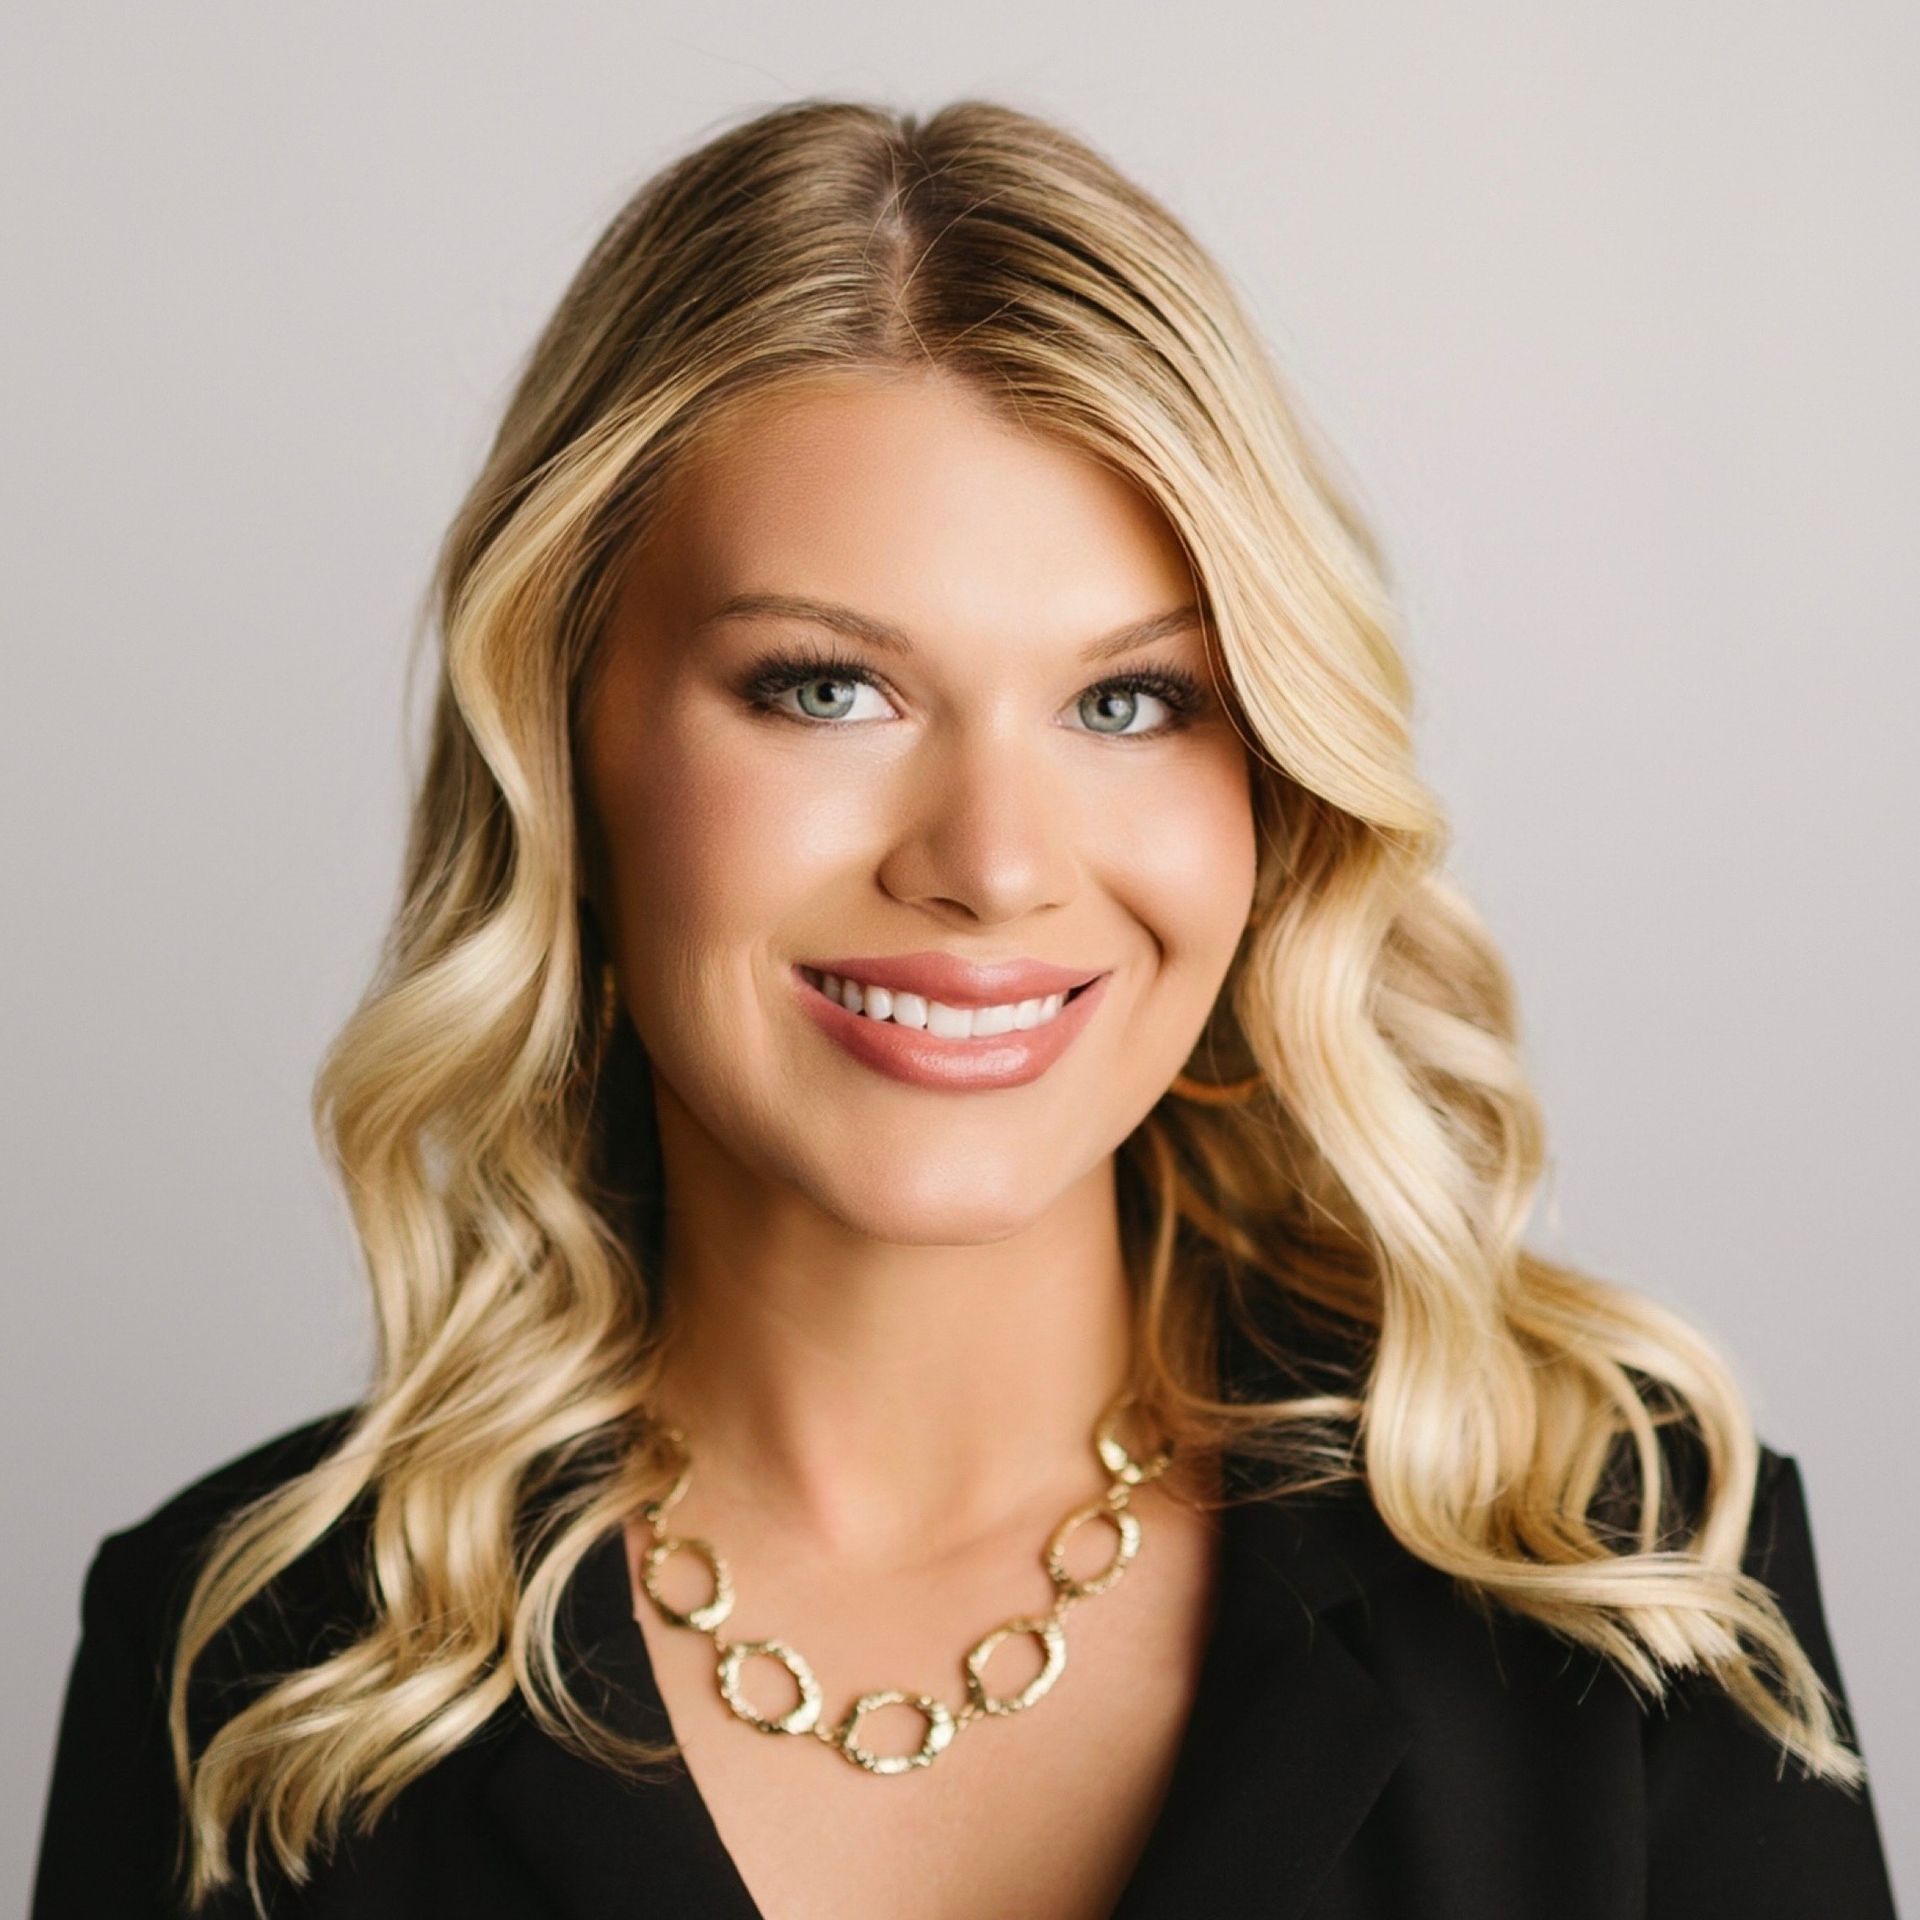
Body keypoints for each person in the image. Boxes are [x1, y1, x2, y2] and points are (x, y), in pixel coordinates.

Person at [30, 97, 1896, 1920]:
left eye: (1131, 704)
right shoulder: (244, 1673)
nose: (995, 864)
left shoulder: (1628, 1578)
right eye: (827, 689)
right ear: (567, 742)